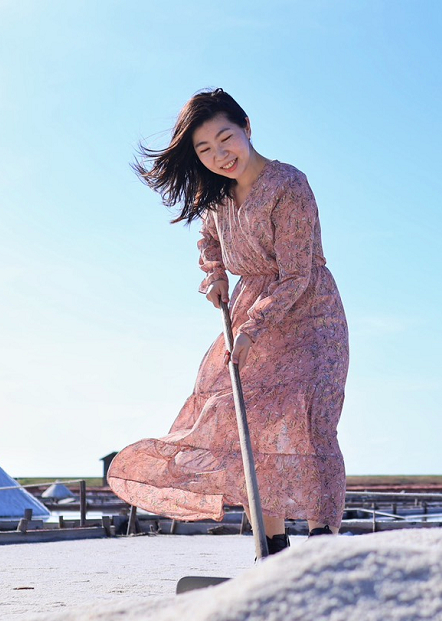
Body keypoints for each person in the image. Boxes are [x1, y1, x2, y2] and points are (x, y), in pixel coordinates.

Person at [108, 88, 349, 555]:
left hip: (309, 314)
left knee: (310, 423)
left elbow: (296, 274)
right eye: (205, 150)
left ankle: (324, 550)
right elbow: (208, 241)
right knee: (248, 428)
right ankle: (272, 550)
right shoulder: (215, 197)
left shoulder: (289, 185)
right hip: (247, 310)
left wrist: (251, 329)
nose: (220, 156)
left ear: (247, 128)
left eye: (225, 139)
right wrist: (215, 276)